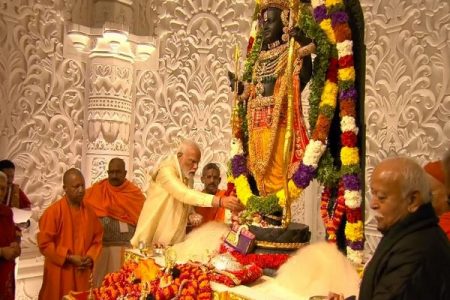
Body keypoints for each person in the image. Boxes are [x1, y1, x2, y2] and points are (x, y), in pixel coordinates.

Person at [230, 0, 313, 195]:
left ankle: (275, 211)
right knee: (257, 169)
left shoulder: (291, 52)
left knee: (277, 173)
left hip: (279, 125)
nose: (264, 26)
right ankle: (263, 211)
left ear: (285, 23)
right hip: (256, 125)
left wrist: (305, 48)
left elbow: (302, 77)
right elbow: (253, 91)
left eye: (271, 21)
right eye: (262, 22)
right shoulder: (259, 58)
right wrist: (241, 88)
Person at [359, 157, 450, 300]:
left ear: (413, 200)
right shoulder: (405, 232)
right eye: (373, 193)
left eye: (382, 197)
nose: (373, 204)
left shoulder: (417, 251)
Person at [131, 140, 244, 247]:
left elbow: (185, 202)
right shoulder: (166, 171)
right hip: (151, 240)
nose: (196, 167)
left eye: (197, 163)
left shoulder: (187, 176)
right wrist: (220, 201)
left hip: (175, 242)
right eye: (192, 161)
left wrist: (191, 213)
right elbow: (183, 193)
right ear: (179, 156)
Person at [37, 168, 103, 300]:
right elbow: (44, 245)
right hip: (61, 271)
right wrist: (68, 257)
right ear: (65, 188)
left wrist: (90, 257)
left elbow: (98, 238)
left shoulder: (90, 211)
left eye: (82, 186)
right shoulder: (53, 212)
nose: (80, 190)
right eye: (76, 186)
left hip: (82, 271)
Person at [84, 157, 145, 286]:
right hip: (101, 249)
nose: (114, 175)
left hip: (126, 249)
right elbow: (82, 209)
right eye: (111, 172)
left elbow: (145, 219)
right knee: (100, 285)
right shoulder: (98, 190)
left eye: (118, 172)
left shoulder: (134, 193)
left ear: (125, 173)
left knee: (122, 285)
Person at [0, 171, 21, 299]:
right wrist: (2, 252)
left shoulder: (7, 212)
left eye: (3, 189)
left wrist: (16, 248)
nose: (0, 193)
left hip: (5, 277)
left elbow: (13, 239)